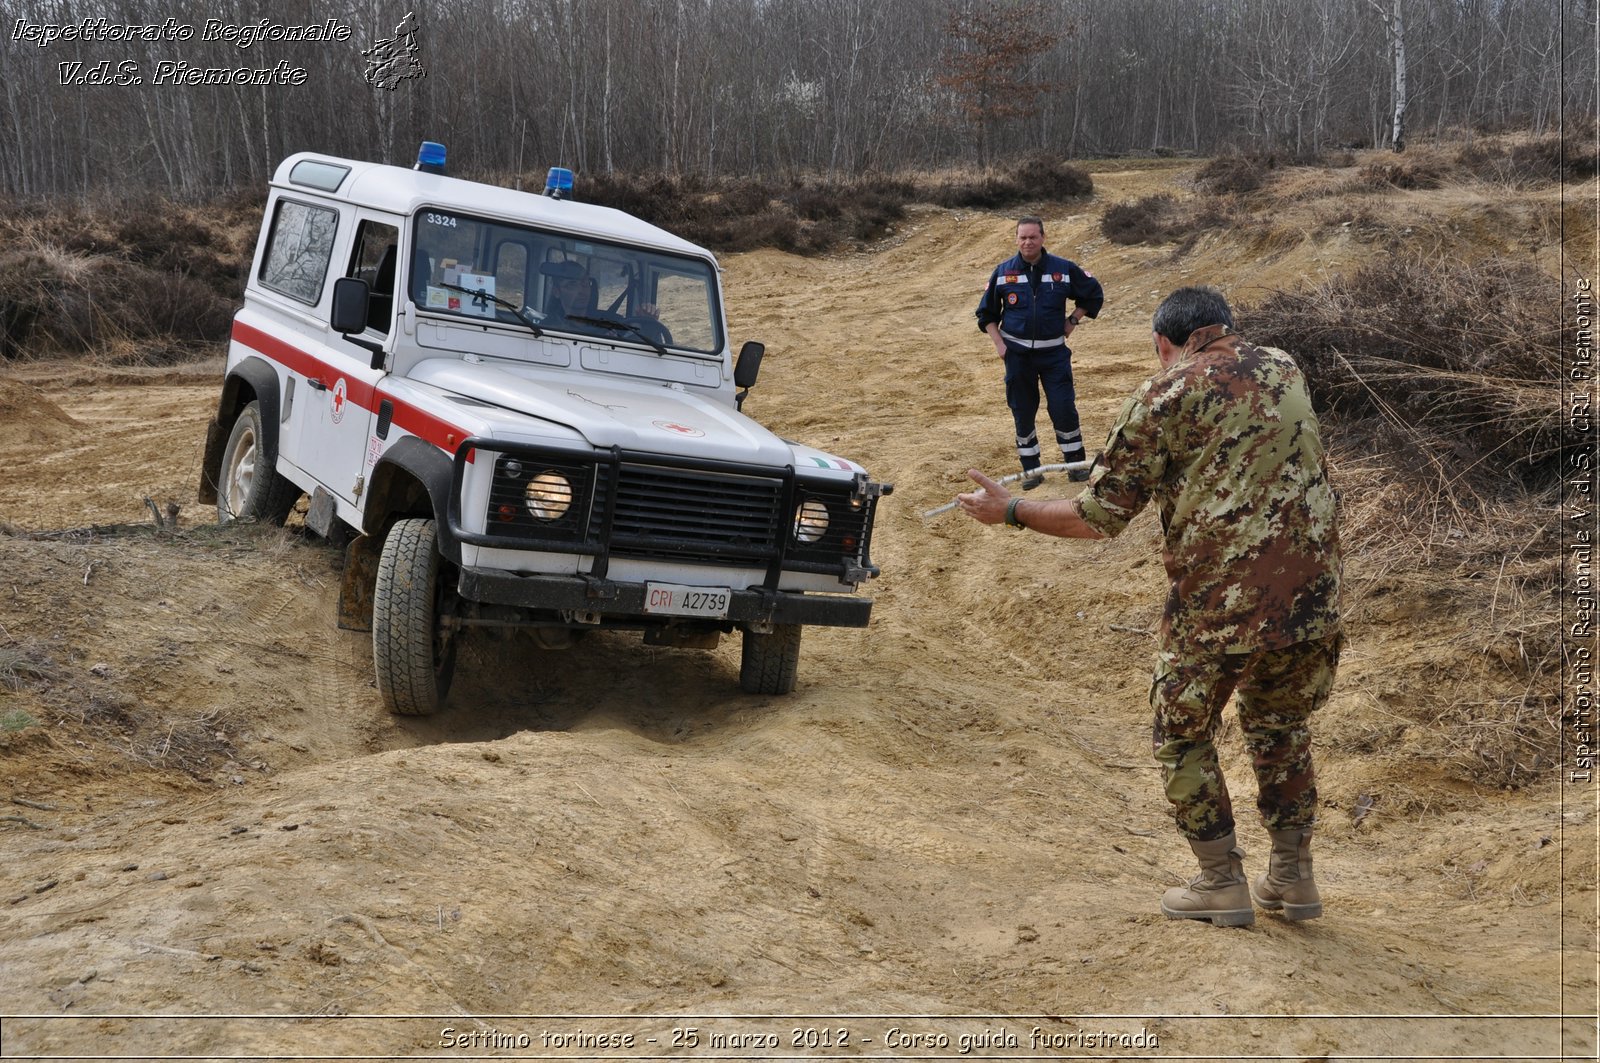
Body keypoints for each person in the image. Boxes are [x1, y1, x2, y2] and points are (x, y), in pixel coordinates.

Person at [956, 286, 1342, 928]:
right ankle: (1293, 878)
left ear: (1169, 342)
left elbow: (1096, 517)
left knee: (1182, 733)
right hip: (1312, 596)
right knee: (1281, 728)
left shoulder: (1164, 394)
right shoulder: (1285, 366)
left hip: (1220, 604)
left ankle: (1221, 883)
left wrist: (1013, 510)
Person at [975, 216, 1104, 488]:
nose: (1027, 242)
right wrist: (1000, 345)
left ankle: (1076, 466)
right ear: (1016, 239)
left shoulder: (1063, 269)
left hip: (1054, 355)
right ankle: (1031, 471)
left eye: (1032, 237)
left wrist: (1072, 321)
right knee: (1022, 411)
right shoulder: (1003, 272)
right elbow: (986, 314)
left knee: (1063, 408)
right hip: (1018, 357)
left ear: (1043, 238)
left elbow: (1093, 294)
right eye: (1022, 237)